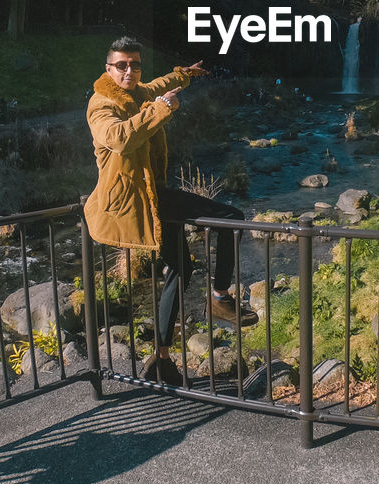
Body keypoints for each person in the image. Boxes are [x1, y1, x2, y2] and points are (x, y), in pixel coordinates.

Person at [84, 36, 254, 386]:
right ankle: (221, 298)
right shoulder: (101, 105)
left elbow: (158, 85)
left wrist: (184, 75)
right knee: (232, 218)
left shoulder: (137, 93)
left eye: (134, 64)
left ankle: (161, 360)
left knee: (181, 268)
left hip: (153, 192)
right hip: (135, 199)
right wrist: (161, 108)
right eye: (121, 65)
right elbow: (118, 138)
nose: (129, 70)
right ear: (108, 69)